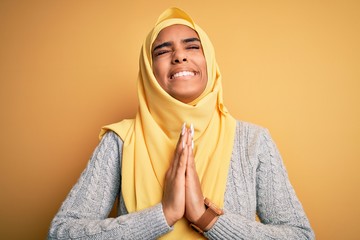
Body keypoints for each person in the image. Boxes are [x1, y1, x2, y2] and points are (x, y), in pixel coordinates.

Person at [48, 7, 314, 240]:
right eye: (163, 51)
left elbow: (300, 235)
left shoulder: (252, 141)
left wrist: (206, 218)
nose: (179, 56)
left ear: (208, 59)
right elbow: (61, 232)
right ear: (149, 72)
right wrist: (163, 214)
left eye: (192, 46)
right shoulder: (120, 140)